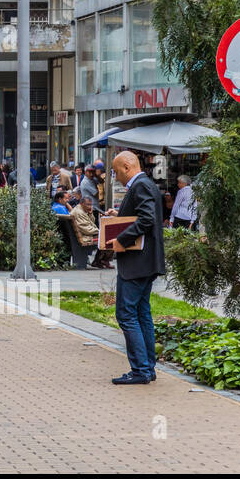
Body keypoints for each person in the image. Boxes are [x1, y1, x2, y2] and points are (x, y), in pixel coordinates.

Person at [106, 151, 166, 385]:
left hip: (137, 264)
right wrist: (119, 215)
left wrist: (122, 239)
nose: (115, 176)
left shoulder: (140, 185)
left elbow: (146, 219)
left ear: (128, 166)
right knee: (142, 314)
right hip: (146, 262)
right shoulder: (147, 184)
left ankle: (141, 370)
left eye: (116, 171)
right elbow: (142, 216)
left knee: (126, 314)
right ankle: (147, 368)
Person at [70, 192, 102, 270]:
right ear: (81, 203)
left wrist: (90, 214)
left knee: (107, 237)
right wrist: (101, 231)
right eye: (88, 204)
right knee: (107, 239)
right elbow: (87, 229)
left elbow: (90, 223)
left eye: (91, 204)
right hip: (84, 237)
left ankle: (100, 261)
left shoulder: (82, 210)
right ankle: (100, 261)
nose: (90, 207)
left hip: (82, 235)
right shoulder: (79, 212)